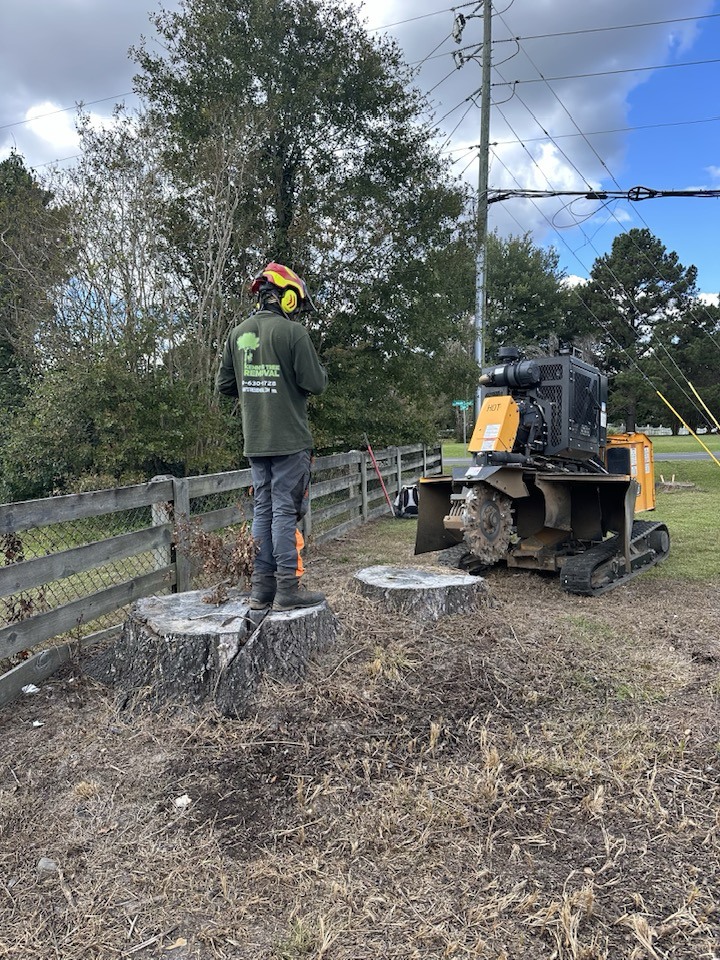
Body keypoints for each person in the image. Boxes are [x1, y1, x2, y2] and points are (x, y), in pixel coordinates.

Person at [216, 262, 328, 610]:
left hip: (256, 441)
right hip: (290, 441)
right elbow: (316, 383)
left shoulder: (237, 334)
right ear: (289, 298)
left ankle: (260, 592)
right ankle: (287, 590)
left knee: (262, 512)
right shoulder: (293, 334)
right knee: (283, 512)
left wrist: (256, 389)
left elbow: (224, 385)